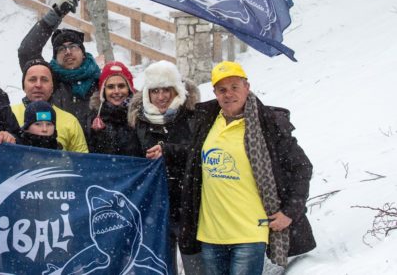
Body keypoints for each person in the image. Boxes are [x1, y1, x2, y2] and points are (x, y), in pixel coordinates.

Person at [179, 61, 315, 275]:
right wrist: (164, 150)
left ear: (247, 87)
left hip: (250, 233)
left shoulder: (268, 124)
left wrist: (290, 212)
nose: (229, 94)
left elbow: (302, 167)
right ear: (214, 92)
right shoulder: (206, 122)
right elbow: (192, 154)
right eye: (222, 89)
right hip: (210, 234)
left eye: (235, 87)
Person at [128, 60, 203, 275]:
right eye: (155, 91)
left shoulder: (193, 117)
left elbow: (201, 153)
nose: (161, 97)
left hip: (189, 205)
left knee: (195, 266)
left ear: (176, 90)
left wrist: (168, 151)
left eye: (166, 90)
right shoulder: (138, 121)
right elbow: (132, 159)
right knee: (159, 266)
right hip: (155, 206)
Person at [17, 0, 100, 127]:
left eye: (73, 46)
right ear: (55, 57)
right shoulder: (50, 81)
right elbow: (27, 51)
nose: (67, 52)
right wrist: (55, 14)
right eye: (61, 49)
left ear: (83, 53)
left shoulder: (101, 81)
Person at [12, 59, 88, 153]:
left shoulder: (70, 121)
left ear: (52, 87)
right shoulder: (9, 114)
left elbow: (82, 162)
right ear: (24, 85)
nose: (38, 85)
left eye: (44, 80)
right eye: (32, 79)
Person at [86, 61, 138, 156]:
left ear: (129, 88)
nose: (116, 91)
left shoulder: (139, 116)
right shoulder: (94, 118)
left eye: (121, 86)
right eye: (110, 87)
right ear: (103, 91)